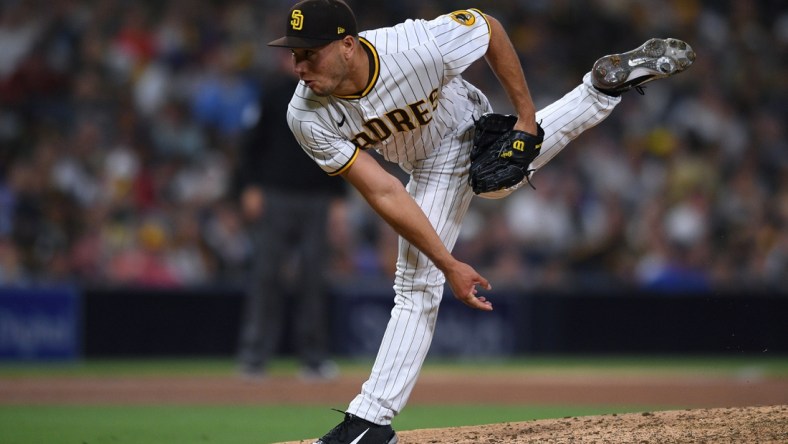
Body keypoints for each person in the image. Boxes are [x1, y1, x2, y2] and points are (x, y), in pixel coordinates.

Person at [267, 1, 695, 442]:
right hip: (421, 162)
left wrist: (527, 119)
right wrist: (448, 262)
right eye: (294, 54)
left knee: (416, 286)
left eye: (309, 53)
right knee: (495, 183)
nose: (298, 65)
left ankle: (369, 422)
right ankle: (598, 91)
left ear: (348, 46)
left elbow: (488, 28)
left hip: (459, 128)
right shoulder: (304, 115)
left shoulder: (415, 46)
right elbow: (383, 190)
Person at [236, 51, 347, 380]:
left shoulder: (328, 94)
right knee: (267, 275)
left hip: (317, 197)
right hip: (275, 194)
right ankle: (254, 356)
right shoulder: (271, 92)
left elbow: (343, 146)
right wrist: (250, 186)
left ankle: (313, 359)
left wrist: (338, 199)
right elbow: (250, 145)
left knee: (314, 277)